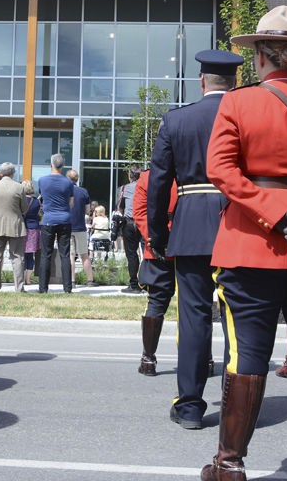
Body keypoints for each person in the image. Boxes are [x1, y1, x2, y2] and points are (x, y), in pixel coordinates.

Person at [201, 7, 287, 481]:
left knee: (247, 355)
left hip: (250, 244)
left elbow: (221, 170)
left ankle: (230, 463)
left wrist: (274, 213)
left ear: (260, 55)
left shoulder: (237, 103)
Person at [148, 49, 243, 430]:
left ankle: (189, 405)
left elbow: (158, 184)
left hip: (189, 228)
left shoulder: (177, 119)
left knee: (193, 319)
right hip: (237, 224)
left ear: (202, 81)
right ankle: (239, 404)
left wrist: (158, 235)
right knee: (240, 321)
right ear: (234, 82)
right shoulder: (244, 114)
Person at [133, 169, 177, 376]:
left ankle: (148, 359)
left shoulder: (147, 177)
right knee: (195, 304)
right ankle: (205, 359)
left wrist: (157, 238)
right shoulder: (193, 171)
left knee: (157, 302)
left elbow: (140, 212)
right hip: (187, 242)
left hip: (158, 246)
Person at [0, 163, 30, 291]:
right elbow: (24, 208)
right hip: (15, 225)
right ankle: (19, 288)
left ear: (1, 172)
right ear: (13, 173)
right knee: (17, 257)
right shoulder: (19, 187)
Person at [36, 153, 75, 294]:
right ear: (63, 166)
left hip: (48, 220)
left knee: (46, 254)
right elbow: (71, 203)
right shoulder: (68, 183)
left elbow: (42, 198)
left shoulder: (42, 180)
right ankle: (67, 288)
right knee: (65, 254)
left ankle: (43, 288)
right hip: (64, 219)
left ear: (51, 165)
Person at [116, 165, 143, 293]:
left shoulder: (125, 188)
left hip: (130, 223)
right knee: (147, 254)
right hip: (144, 222)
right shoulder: (145, 187)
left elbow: (120, 208)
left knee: (131, 254)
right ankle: (147, 282)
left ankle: (133, 284)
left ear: (129, 176)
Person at [65, 170, 94, 287]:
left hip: (67, 226)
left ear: (67, 178)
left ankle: (72, 281)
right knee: (84, 255)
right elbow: (87, 211)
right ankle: (90, 280)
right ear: (77, 179)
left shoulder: (64, 192)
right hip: (80, 226)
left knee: (71, 255)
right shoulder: (83, 191)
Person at [22, 180, 42, 285]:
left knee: (22, 254)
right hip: (34, 229)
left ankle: (21, 277)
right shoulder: (37, 201)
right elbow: (38, 214)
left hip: (23, 228)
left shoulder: (21, 200)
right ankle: (28, 279)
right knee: (30, 255)